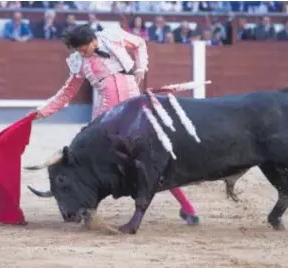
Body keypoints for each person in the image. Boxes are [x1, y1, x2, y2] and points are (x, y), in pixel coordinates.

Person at [32, 24, 200, 225]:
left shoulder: (113, 37)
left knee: (154, 158)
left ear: (94, 38)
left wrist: (140, 67)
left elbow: (139, 44)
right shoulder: (79, 62)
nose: (84, 53)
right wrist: (42, 111)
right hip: (106, 119)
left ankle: (187, 206)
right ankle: (87, 208)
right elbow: (67, 92)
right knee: (89, 160)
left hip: (136, 112)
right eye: (80, 50)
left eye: (85, 48)